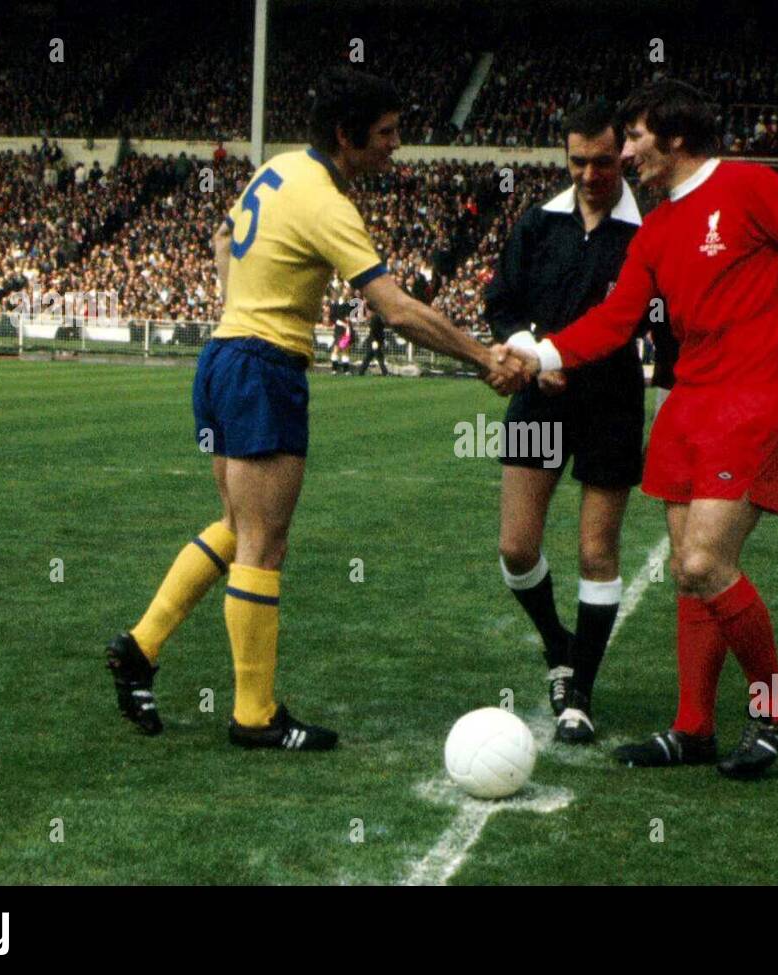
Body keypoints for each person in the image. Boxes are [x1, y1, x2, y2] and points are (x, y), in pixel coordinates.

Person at [104, 68, 524, 751]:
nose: (395, 147)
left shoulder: (278, 170)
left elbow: (220, 241)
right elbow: (394, 307)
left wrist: (242, 309)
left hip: (223, 357)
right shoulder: (328, 202)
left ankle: (141, 646)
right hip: (263, 368)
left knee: (240, 529)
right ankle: (254, 715)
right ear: (345, 135)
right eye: (385, 134)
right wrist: (484, 359)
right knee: (264, 544)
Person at [497, 80, 778, 779]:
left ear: (674, 136)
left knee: (702, 563)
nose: (626, 153)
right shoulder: (658, 227)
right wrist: (537, 353)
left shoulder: (751, 187)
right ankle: (693, 728)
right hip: (686, 407)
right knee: (688, 580)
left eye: (633, 138)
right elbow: (612, 320)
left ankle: (775, 706)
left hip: (750, 402)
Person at [485, 101, 648, 744]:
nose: (587, 173)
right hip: (537, 400)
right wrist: (528, 351)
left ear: (622, 158)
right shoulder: (538, 223)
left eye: (601, 162)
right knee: (516, 547)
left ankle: (579, 694)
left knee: (594, 551)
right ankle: (559, 646)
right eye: (576, 161)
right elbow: (501, 304)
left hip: (612, 402)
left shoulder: (647, 231)